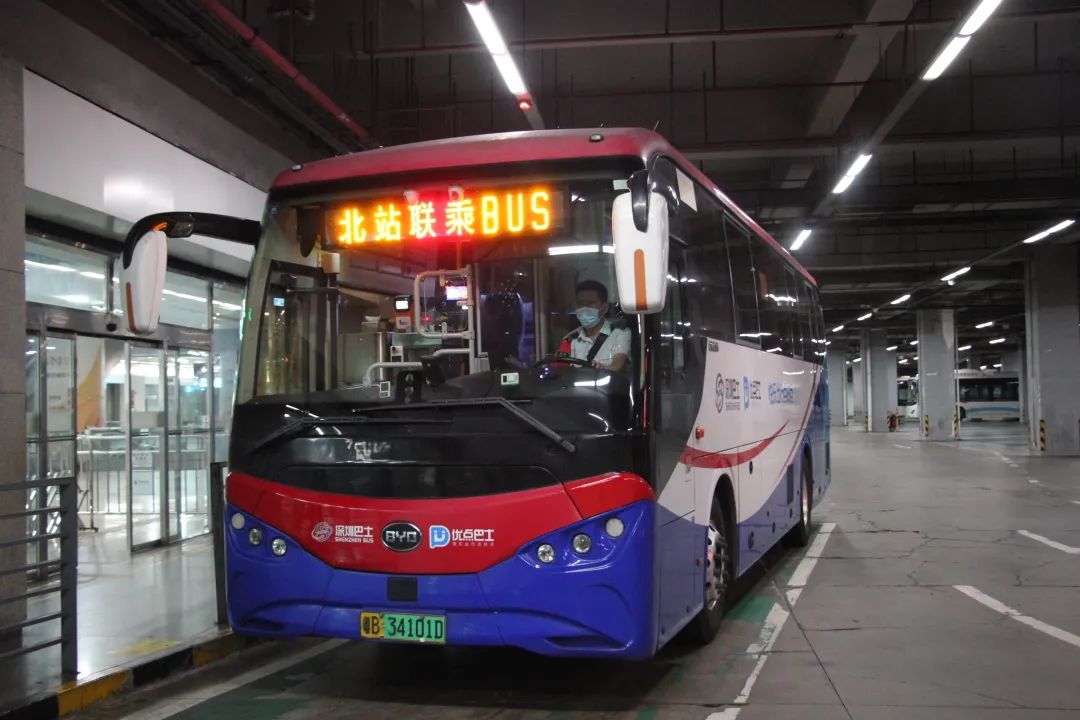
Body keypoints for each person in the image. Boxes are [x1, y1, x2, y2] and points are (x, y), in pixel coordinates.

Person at [557, 280, 630, 372]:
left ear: (604, 308)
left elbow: (617, 366)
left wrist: (602, 368)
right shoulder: (569, 339)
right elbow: (559, 369)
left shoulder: (620, 334)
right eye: (580, 303)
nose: (584, 308)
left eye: (590, 303)